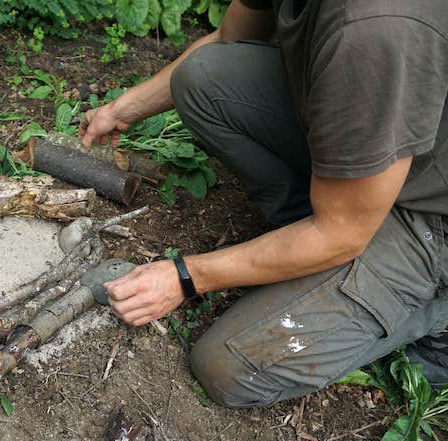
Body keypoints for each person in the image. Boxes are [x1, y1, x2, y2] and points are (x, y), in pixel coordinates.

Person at [79, 0, 448, 407]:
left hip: (428, 214)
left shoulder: (376, 29)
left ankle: (436, 312)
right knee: (203, 77)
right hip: (372, 160)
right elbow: (227, 37)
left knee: (228, 368)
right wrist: (122, 109)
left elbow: (341, 233)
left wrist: (185, 277)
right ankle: (305, 248)